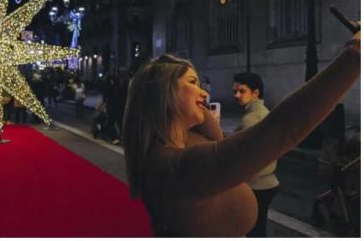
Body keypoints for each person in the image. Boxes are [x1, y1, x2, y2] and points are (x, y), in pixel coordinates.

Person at [122, 27, 359, 237]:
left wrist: (195, 107)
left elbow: (217, 139)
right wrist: (354, 56)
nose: (204, 93)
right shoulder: (176, 167)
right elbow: (280, 129)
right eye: (192, 83)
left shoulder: (182, 142)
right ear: (164, 93)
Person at [232, 72, 279, 237]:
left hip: (255, 185)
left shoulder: (250, 120)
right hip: (268, 182)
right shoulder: (266, 113)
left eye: (241, 91)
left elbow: (235, 154)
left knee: (252, 231)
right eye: (235, 91)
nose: (237, 95)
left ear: (256, 93)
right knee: (259, 229)